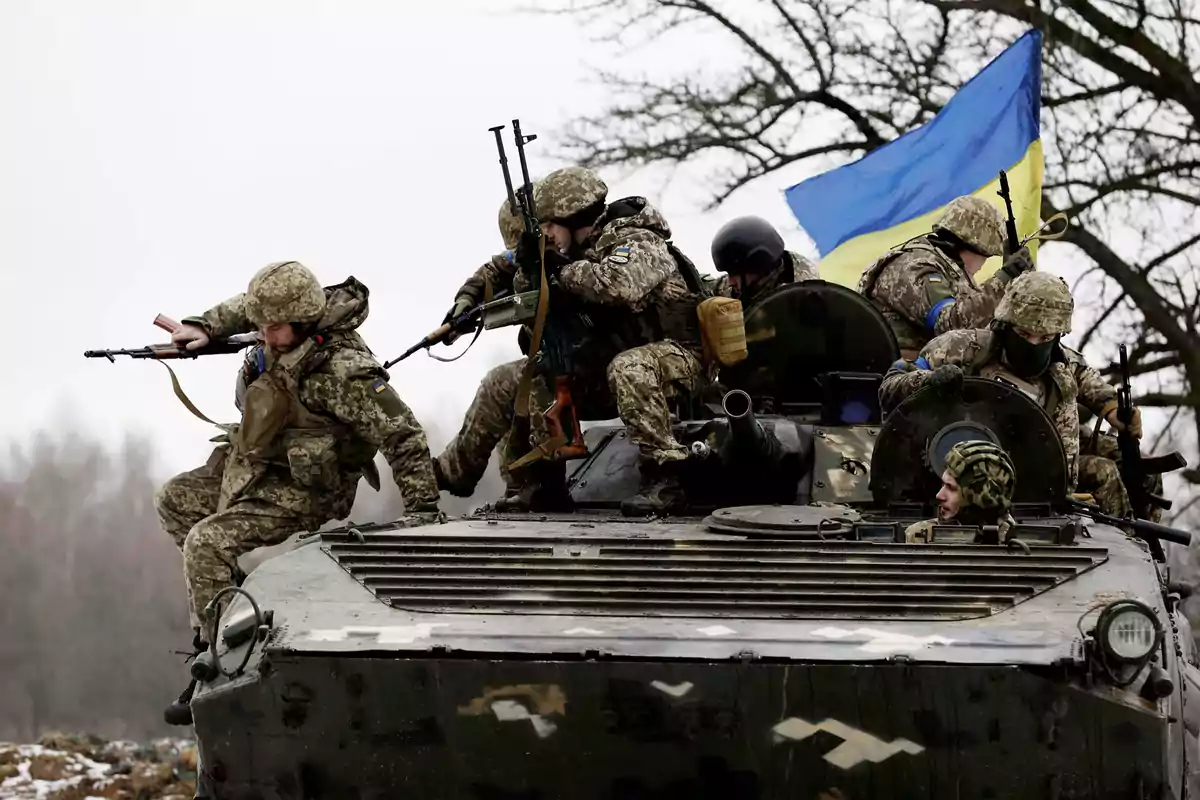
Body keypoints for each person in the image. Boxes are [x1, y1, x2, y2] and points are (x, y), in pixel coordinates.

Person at [155, 261, 444, 717]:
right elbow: (246, 310)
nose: (264, 336)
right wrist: (202, 326)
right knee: (174, 500)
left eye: (274, 329)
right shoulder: (279, 318)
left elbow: (403, 436)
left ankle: (221, 664)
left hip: (309, 488)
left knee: (205, 544)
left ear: (304, 320)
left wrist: (425, 516)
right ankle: (234, 613)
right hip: (259, 466)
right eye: (261, 326)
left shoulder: (344, 373)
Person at [879, 271, 1142, 518]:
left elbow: (1097, 390)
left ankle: (1134, 542)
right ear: (1005, 324)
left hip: (1037, 481)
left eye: (1045, 337)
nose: (1033, 344)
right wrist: (928, 381)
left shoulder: (1065, 366)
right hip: (947, 477)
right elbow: (890, 388)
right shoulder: (960, 348)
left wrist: (1114, 410)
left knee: (1117, 469)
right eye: (1024, 334)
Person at [433, 193, 559, 509]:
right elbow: (490, 272)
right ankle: (464, 473)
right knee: (514, 384)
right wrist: (465, 306)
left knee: (508, 382)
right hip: (557, 363)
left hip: (593, 364)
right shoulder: (531, 256)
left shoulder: (584, 257)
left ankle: (536, 483)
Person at [857, 196, 1036, 359]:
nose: (982, 264)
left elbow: (981, 329)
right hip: (898, 374)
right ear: (974, 246)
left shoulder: (949, 271)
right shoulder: (916, 265)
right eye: (986, 256)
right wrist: (1004, 279)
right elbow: (949, 325)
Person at [905, 440, 1017, 543]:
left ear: (981, 497)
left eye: (951, 488)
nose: (939, 496)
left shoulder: (1022, 544)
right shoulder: (919, 537)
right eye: (943, 485)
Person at [707, 215, 819, 304]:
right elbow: (709, 288)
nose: (730, 282)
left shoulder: (805, 296)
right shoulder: (747, 284)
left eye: (734, 273)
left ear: (757, 265)